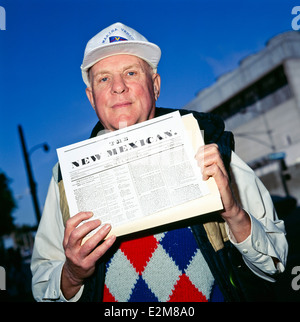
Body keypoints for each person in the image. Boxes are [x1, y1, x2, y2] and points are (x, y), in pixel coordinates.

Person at [31, 22, 288, 302]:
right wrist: (71, 274)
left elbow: (275, 262)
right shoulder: (64, 178)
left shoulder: (209, 148)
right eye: (104, 79)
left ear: (155, 85)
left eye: (131, 73)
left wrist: (234, 213)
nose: (118, 87)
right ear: (91, 97)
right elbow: (42, 284)